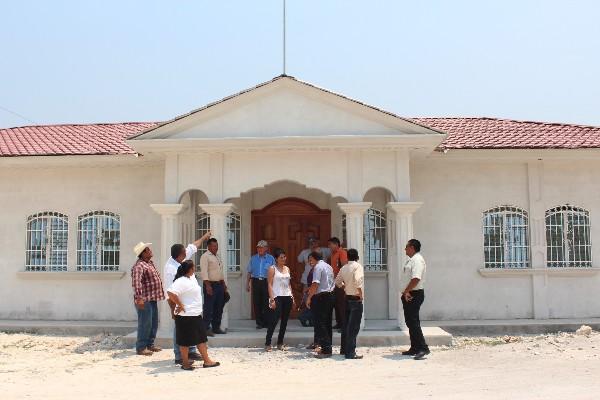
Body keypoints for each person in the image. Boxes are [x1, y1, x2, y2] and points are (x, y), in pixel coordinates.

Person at [165, 231, 211, 365]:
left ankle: (191, 352)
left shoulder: (182, 259)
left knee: (191, 330)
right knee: (180, 330)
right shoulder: (171, 269)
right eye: (184, 252)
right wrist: (174, 308)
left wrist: (204, 237)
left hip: (190, 306)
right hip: (180, 305)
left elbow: (194, 246)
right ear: (180, 255)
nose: (187, 252)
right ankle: (179, 356)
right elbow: (170, 292)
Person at [167, 260, 220, 370]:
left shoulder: (192, 278)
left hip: (195, 314)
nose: (195, 268)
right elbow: (170, 293)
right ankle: (185, 364)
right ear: (190, 269)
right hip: (185, 316)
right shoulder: (181, 281)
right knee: (184, 341)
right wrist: (180, 305)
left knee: (201, 339)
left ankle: (207, 361)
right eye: (193, 267)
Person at [131, 242, 164, 356]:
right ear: (143, 253)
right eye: (148, 249)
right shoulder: (139, 266)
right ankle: (141, 347)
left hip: (152, 298)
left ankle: (150, 344)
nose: (150, 251)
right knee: (145, 323)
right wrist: (139, 298)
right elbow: (136, 282)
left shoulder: (149, 263)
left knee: (153, 323)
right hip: (144, 299)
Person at [401, 239, 430, 360]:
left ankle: (423, 348)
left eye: (406, 247)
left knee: (413, 322)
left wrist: (406, 291)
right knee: (410, 322)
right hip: (409, 293)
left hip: (413, 294)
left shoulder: (417, 260)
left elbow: (416, 279)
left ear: (412, 247)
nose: (405, 249)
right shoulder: (412, 260)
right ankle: (415, 347)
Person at [335, 248, 364, 360]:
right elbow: (358, 280)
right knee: (353, 327)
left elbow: (337, 282)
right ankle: (350, 352)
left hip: (347, 298)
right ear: (357, 257)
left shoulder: (344, 267)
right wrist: (360, 294)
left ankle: (344, 349)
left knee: (346, 325)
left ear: (347, 257)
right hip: (355, 299)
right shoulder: (358, 266)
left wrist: (345, 287)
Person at [264, 248, 294, 351]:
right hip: (277, 296)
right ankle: (268, 343)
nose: (283, 259)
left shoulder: (287, 269)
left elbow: (289, 284)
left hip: (287, 296)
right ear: (276, 259)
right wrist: (271, 299)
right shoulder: (272, 268)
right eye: (281, 257)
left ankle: (280, 342)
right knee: (274, 320)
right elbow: (269, 284)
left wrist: (292, 296)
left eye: (284, 257)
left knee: (284, 321)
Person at [306, 251, 335, 358]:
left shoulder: (318, 267)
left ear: (315, 258)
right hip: (330, 295)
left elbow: (315, 284)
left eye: (310, 260)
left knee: (320, 323)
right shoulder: (328, 266)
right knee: (327, 323)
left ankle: (326, 350)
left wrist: (309, 298)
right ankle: (327, 346)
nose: (310, 262)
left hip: (321, 297)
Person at [199, 238, 228, 335]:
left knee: (219, 307)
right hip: (210, 285)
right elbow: (204, 272)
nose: (216, 247)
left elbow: (220, 272)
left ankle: (216, 328)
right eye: (214, 246)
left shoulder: (218, 256)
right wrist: (208, 286)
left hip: (219, 285)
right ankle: (206, 328)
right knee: (208, 308)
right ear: (209, 246)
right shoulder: (205, 256)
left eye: (217, 245)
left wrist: (224, 284)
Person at [246, 240, 275, 329]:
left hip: (267, 282)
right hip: (256, 281)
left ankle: (266, 322)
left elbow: (274, 272)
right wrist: (247, 283)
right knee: (257, 302)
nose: (260, 249)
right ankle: (259, 323)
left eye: (262, 247)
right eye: (258, 247)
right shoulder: (253, 258)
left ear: (266, 248)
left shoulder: (271, 258)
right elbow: (249, 272)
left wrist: (274, 284)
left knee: (266, 302)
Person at [328, 237, 348, 331]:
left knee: (342, 304)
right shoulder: (333, 254)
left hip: (341, 282)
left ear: (336, 244)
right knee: (336, 303)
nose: (329, 247)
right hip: (334, 282)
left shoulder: (342, 252)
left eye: (330, 244)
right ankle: (339, 323)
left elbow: (344, 266)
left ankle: (344, 326)